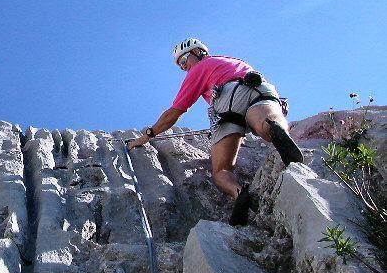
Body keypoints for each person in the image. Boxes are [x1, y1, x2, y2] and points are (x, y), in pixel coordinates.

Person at [129, 38, 303, 225]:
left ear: (197, 53)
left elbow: (174, 112)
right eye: (180, 66)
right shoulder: (233, 61)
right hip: (259, 87)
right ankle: (277, 129)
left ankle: (239, 194)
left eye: (184, 60)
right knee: (267, 122)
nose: (184, 67)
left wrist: (147, 135)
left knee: (221, 171)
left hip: (228, 100)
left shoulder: (198, 69)